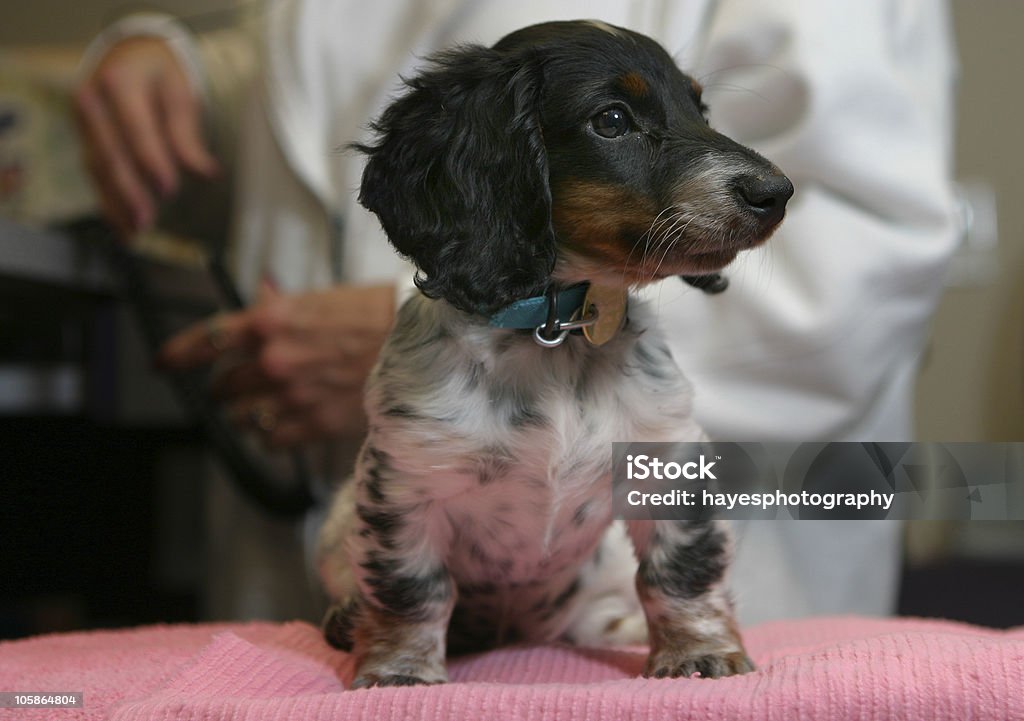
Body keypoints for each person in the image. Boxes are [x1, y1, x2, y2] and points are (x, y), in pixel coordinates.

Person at [74, 0, 959, 625]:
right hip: (320, 574)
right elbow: (326, 64)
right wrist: (183, 68)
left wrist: (470, 349)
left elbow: (858, 256)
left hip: (624, 601)